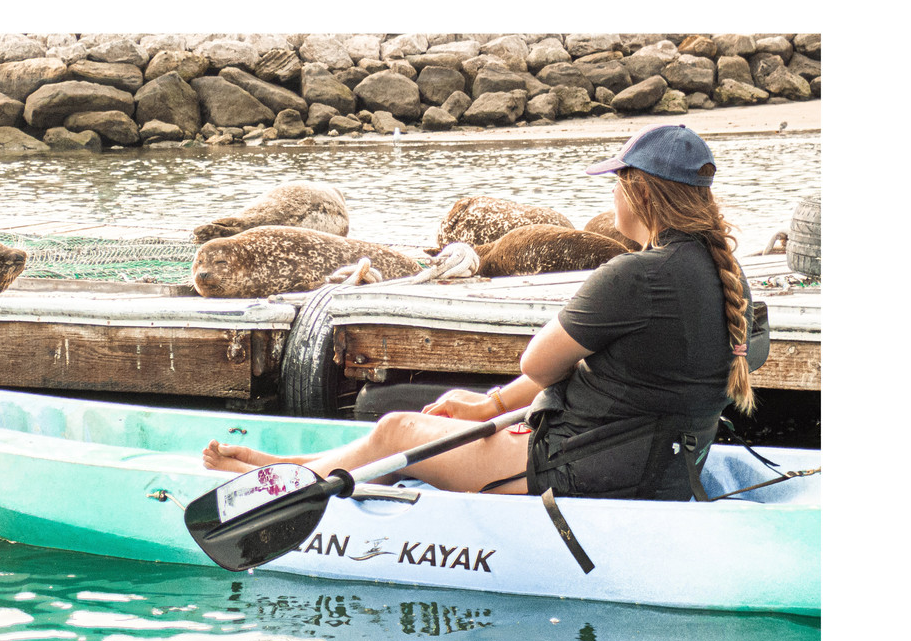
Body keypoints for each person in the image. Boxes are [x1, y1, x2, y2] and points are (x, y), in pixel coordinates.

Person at [203, 124, 757, 501]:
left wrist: (501, 399)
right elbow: (621, 379)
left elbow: (540, 364)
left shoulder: (637, 276)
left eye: (617, 183)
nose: (612, 199)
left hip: (582, 470)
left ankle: (279, 481)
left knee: (397, 430)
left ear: (639, 193)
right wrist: (489, 404)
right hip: (654, 463)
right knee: (428, 421)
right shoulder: (726, 274)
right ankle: (285, 466)